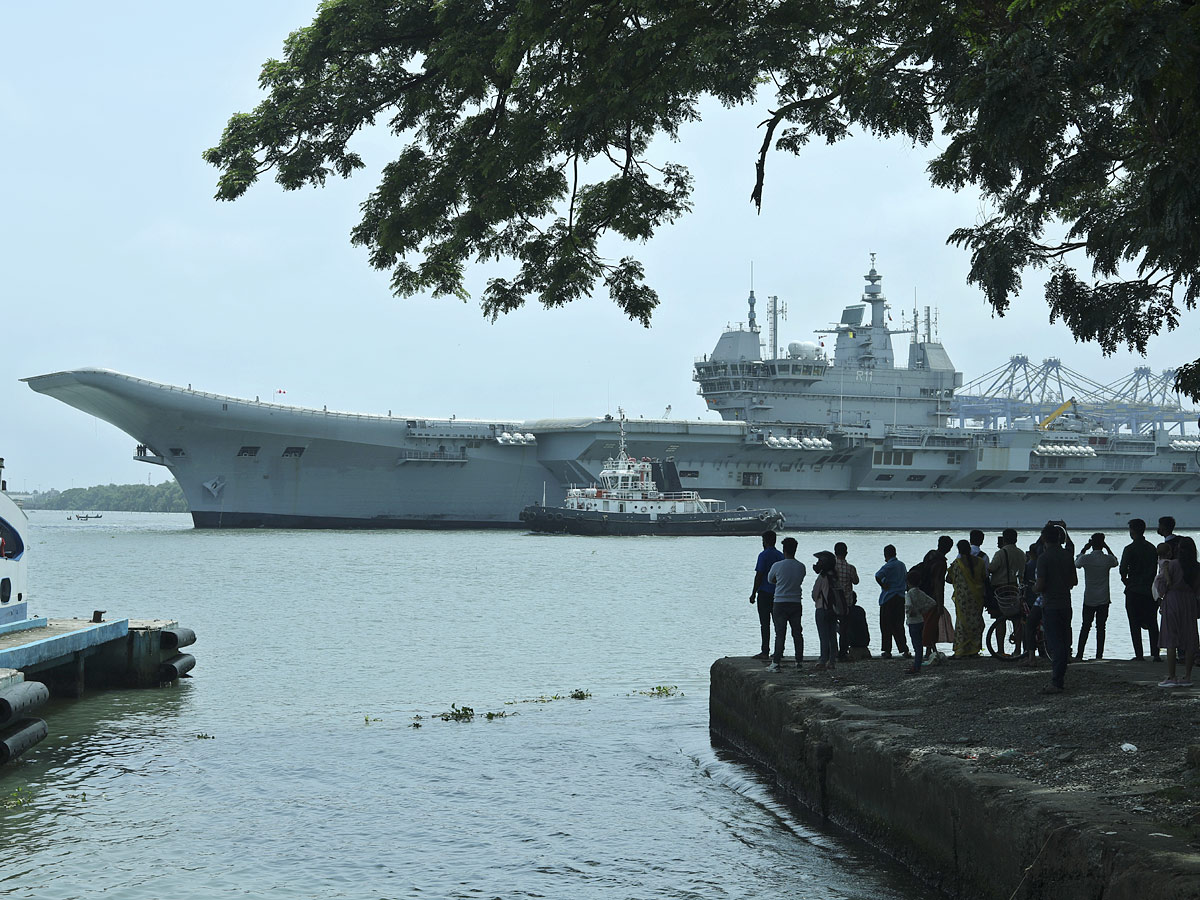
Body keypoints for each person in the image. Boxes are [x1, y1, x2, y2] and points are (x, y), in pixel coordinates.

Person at [1035, 521, 1077, 694]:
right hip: (1066, 604)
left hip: (1050, 604)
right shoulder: (1067, 555)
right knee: (1064, 642)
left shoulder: (1043, 558)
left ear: (1044, 539)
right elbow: (1074, 581)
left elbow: (1040, 584)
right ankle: (1060, 676)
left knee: (1055, 644)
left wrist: (1034, 588)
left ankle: (1056, 682)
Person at [1153, 535, 1200, 687]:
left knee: (1171, 638)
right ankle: (1187, 676)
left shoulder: (1171, 565)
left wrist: (1162, 594)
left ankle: (1172, 676)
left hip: (1173, 599)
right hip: (1190, 601)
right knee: (1190, 637)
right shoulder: (1197, 567)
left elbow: (1161, 586)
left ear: (1178, 549)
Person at [1120, 518, 1161, 661]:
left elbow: (1122, 570)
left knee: (1134, 624)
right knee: (1152, 623)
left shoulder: (1129, 549)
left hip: (1134, 591)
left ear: (1132, 531)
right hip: (1150, 591)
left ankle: (1139, 655)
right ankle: (1156, 654)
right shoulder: (1152, 548)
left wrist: (1128, 584)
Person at [1074, 532, 1118, 659]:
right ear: (1103, 544)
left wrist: (1084, 548)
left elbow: (1076, 563)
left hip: (1089, 598)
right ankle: (1099, 655)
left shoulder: (1086, 559)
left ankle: (1079, 654)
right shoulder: (1107, 559)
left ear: (1092, 544)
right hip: (1104, 598)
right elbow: (1115, 561)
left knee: (1085, 626)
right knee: (1101, 628)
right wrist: (1107, 547)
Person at [766, 537, 806, 671]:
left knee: (780, 633)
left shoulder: (777, 565)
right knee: (797, 633)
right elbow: (800, 580)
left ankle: (776, 662)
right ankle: (799, 661)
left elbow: (770, 580)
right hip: (796, 602)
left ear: (784, 550)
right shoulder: (801, 566)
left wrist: (780, 582)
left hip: (780, 602)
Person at [947, 539, 987, 657]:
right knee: (976, 621)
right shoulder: (980, 562)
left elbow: (948, 579)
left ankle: (961, 649)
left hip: (963, 598)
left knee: (962, 623)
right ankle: (974, 649)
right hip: (977, 597)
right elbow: (984, 577)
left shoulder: (957, 564)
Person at [988, 528, 1026, 654]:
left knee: (1000, 619)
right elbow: (1022, 573)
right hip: (1014, 588)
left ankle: (1000, 650)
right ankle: (1017, 649)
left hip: (1000, 589)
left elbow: (992, 568)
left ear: (1004, 539)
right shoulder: (1021, 553)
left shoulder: (1000, 553)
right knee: (1016, 619)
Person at [749, 531, 784, 659]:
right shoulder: (781, 556)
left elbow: (759, 575)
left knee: (765, 624)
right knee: (778, 624)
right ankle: (779, 651)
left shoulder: (763, 555)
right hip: (778, 594)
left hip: (764, 593)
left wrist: (753, 593)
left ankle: (765, 651)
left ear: (765, 541)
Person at [920, 536, 954, 659]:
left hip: (923, 593)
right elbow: (939, 584)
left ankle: (928, 650)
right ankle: (929, 651)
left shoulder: (929, 556)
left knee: (926, 623)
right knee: (932, 624)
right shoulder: (941, 563)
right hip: (933, 596)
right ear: (949, 549)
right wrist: (940, 603)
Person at [875, 544, 910, 658]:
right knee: (899, 624)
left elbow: (877, 576)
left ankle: (887, 650)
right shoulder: (902, 565)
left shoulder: (888, 566)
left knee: (886, 625)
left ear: (886, 555)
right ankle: (904, 649)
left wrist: (883, 585)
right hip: (900, 597)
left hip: (888, 598)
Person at [904, 567, 936, 675]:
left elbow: (908, 605)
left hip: (913, 622)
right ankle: (917, 664)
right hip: (921, 620)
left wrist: (910, 612)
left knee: (916, 645)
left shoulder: (909, 593)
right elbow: (932, 602)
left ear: (908, 582)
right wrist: (922, 610)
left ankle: (916, 666)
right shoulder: (920, 592)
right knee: (920, 645)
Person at [811, 551, 838, 672]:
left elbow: (814, 594)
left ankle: (823, 659)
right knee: (832, 636)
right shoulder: (835, 576)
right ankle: (831, 660)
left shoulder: (822, 577)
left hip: (822, 608)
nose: (817, 563)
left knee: (823, 636)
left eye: (819, 561)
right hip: (833, 609)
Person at [832, 542, 860, 661]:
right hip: (847, 603)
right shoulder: (850, 568)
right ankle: (842, 653)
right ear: (846, 553)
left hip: (832, 602)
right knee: (844, 629)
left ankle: (831, 651)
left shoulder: (832, 568)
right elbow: (856, 581)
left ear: (835, 553)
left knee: (831, 627)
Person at [1021, 541, 1043, 666]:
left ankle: (1030, 655)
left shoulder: (1029, 565)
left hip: (1032, 598)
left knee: (1029, 626)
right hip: (1047, 599)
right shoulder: (1043, 563)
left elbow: (1024, 581)